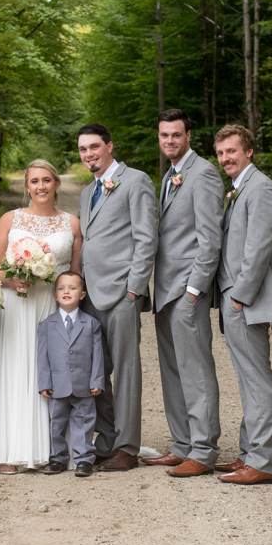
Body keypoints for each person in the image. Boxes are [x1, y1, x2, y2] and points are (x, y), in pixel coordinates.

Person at [0, 159, 81, 473]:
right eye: (35, 181)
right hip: (16, 304)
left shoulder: (72, 223)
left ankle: (53, 449)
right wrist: (13, 279)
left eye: (47, 180)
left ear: (56, 184)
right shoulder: (10, 219)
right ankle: (8, 451)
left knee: (49, 373)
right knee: (14, 371)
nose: (41, 186)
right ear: (27, 187)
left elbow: (76, 273)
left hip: (50, 306)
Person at [76, 124, 157, 472]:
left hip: (123, 291)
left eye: (94, 147)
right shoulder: (85, 193)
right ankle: (106, 441)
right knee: (98, 372)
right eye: (82, 149)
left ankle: (127, 446)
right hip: (90, 293)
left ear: (110, 146)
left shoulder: (135, 181)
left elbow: (146, 237)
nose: (89, 154)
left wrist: (134, 288)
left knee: (126, 371)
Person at [147, 108, 223, 478]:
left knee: (195, 370)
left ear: (188, 136)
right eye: (164, 136)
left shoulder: (204, 174)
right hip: (164, 289)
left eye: (176, 135)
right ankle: (182, 444)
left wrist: (195, 290)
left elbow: (210, 239)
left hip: (186, 289)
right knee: (172, 370)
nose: (169, 141)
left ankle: (204, 449)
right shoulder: (170, 176)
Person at [211, 124, 272, 486]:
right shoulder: (238, 190)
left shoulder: (262, 189)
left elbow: (260, 246)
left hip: (244, 300)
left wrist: (240, 294)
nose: (226, 159)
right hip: (232, 297)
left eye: (232, 152)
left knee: (257, 379)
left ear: (249, 151)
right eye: (221, 153)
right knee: (245, 378)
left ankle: (263, 460)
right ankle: (249, 451)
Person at [37, 272, 105, 479]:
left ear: (82, 294)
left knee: (84, 422)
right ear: (55, 295)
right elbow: (42, 357)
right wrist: (44, 383)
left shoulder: (91, 323)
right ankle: (57, 458)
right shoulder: (47, 325)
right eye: (61, 288)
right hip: (57, 385)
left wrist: (96, 380)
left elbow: (98, 355)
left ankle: (84, 459)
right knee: (56, 423)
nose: (67, 291)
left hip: (84, 384)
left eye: (73, 288)